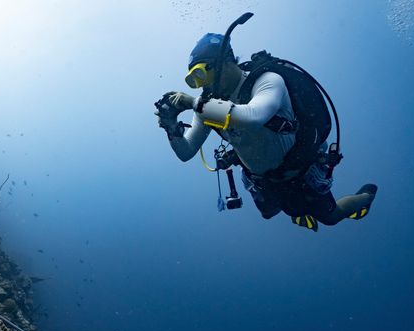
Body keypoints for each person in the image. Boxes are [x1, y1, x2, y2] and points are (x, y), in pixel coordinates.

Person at [156, 32, 377, 231]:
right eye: (194, 81)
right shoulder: (206, 106)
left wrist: (192, 103)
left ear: (224, 61)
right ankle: (298, 212)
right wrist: (171, 127)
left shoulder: (267, 80)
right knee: (269, 213)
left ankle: (365, 196)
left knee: (330, 217)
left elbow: (253, 117)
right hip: (264, 180)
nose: (202, 86)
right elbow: (186, 152)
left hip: (300, 172)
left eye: (201, 74)